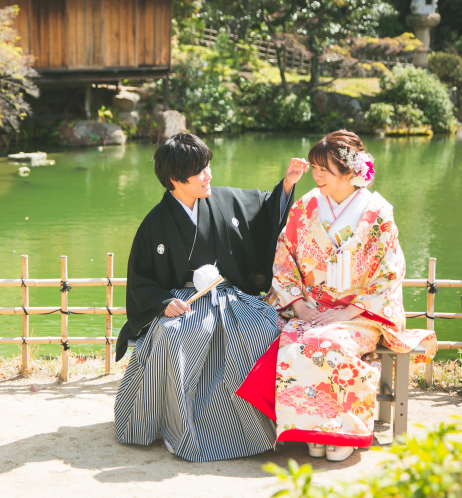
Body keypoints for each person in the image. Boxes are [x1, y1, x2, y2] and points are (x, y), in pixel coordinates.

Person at [236, 130, 437, 462]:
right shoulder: (306, 207)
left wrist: (348, 313)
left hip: (361, 314)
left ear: (350, 172)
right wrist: (298, 305)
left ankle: (341, 431)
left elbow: (389, 271)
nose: (316, 176)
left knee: (328, 343)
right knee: (295, 340)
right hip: (311, 308)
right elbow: (284, 257)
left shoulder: (378, 212)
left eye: (324, 170)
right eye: (315, 168)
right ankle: (311, 431)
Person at [114, 132, 309, 462]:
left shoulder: (222, 201)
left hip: (228, 294)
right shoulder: (155, 224)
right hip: (184, 300)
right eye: (200, 170)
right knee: (176, 336)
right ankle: (176, 424)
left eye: (207, 166)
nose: (209, 175)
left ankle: (251, 424)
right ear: (176, 179)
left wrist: (287, 185)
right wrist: (163, 302)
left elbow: (261, 211)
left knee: (261, 328)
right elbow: (141, 279)